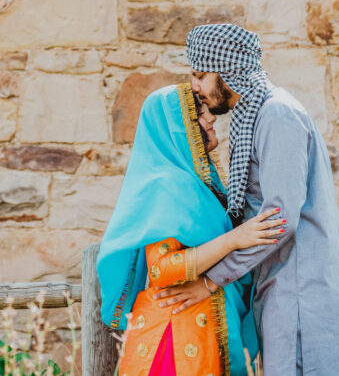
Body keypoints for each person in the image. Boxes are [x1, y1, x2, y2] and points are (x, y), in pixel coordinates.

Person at [156, 24, 339, 375]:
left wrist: (209, 281)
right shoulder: (254, 114)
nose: (195, 87)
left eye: (200, 75)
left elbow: (278, 220)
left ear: (227, 71)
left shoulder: (276, 115)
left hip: (300, 293)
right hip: (280, 290)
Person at [98, 82, 282, 375]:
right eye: (199, 112)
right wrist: (235, 239)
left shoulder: (202, 185)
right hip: (175, 337)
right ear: (175, 128)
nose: (211, 118)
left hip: (206, 325)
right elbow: (161, 270)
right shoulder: (167, 185)